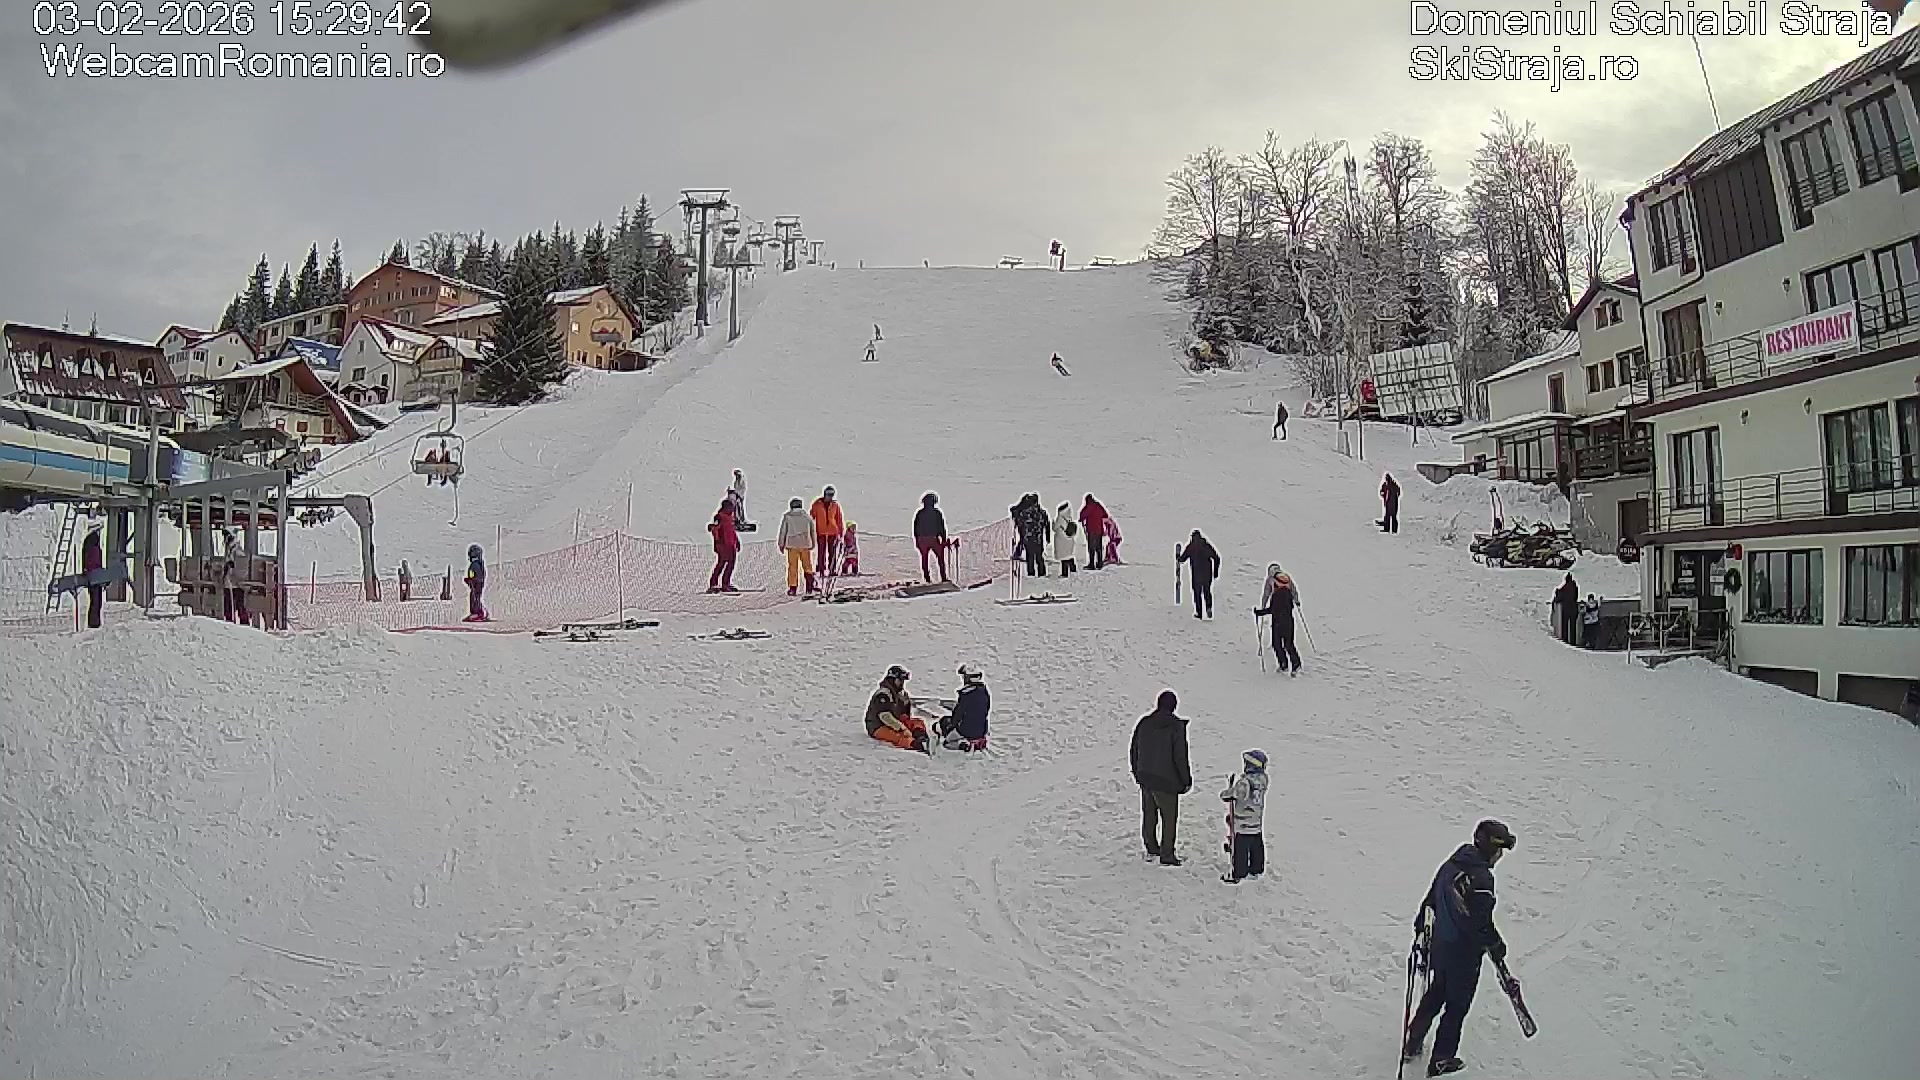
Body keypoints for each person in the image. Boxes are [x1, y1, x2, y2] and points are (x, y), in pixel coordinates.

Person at [1403, 820, 1517, 1079]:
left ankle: (1413, 1042)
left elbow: (1430, 900)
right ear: (1492, 849)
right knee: (1456, 1007)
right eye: (1500, 850)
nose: (1500, 857)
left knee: (1435, 994)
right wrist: (1496, 945)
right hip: (1463, 956)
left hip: (1441, 948)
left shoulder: (1452, 865)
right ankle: (1441, 1059)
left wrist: (1421, 928)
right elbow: (1480, 924)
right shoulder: (1482, 879)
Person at [1130, 690, 1191, 865]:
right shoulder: (1176, 727)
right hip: (1167, 782)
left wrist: (1137, 772)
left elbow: (1134, 749)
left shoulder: (1144, 723)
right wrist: (1186, 780)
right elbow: (1180, 756)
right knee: (1169, 819)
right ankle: (1167, 854)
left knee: (1149, 815)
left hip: (1146, 778)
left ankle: (1151, 847)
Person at [1220, 749, 1269, 883]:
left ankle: (1239, 872)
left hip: (1243, 824)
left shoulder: (1245, 782)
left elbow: (1238, 794)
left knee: (1241, 849)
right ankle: (1256, 868)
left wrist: (1226, 794)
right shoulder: (1264, 780)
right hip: (1256, 822)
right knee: (1256, 846)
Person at [865, 665, 929, 754]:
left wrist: (906, 721)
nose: (902, 683)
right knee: (900, 736)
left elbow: (905, 713)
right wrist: (902, 728)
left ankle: (922, 738)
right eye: (900, 680)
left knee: (917, 722)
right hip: (878, 726)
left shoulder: (901, 694)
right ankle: (915, 744)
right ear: (892, 680)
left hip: (895, 722)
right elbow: (885, 717)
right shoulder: (883, 694)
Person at [1253, 568, 1303, 674]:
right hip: (1289, 621)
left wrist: (1259, 612)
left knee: (1277, 644)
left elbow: (1272, 609)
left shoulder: (1276, 595)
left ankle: (1283, 664)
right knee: (1289, 644)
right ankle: (1296, 664)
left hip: (1278, 623)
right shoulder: (1288, 594)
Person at [937, 663, 990, 751]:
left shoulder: (966, 695)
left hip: (966, 731)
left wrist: (951, 725)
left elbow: (957, 716)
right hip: (981, 730)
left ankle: (962, 745)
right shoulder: (984, 692)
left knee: (946, 742)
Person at [778, 497, 817, 596]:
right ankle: (809, 586)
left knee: (793, 567)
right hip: (805, 545)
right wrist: (813, 543)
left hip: (792, 545)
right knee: (807, 566)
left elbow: (783, 532)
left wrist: (781, 544)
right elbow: (812, 531)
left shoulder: (787, 517)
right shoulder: (807, 517)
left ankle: (793, 588)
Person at [1177, 530, 1220, 619]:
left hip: (1196, 574)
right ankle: (1208, 608)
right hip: (1207, 573)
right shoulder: (1206, 545)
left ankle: (1199, 613)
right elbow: (1217, 558)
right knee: (1207, 591)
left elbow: (1182, 559)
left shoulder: (1191, 547)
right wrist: (1215, 572)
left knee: (1197, 593)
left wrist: (1178, 557)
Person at [1010, 493, 1049, 577]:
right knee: (1039, 557)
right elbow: (1047, 526)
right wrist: (1048, 537)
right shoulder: (1042, 512)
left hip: (1028, 539)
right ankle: (1042, 573)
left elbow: (1017, 518)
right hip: (1038, 539)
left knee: (1030, 557)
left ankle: (1031, 573)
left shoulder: (1024, 513)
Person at [915, 492, 950, 583]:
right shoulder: (937, 513)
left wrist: (917, 541)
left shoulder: (920, 513)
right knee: (940, 559)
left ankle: (927, 579)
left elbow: (916, 528)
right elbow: (941, 527)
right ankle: (943, 578)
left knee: (925, 560)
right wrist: (944, 539)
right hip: (933, 539)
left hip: (922, 539)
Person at [810, 486, 844, 578]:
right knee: (821, 552)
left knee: (832, 552)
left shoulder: (835, 505)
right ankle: (821, 569)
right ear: (825, 494)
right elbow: (811, 516)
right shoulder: (817, 504)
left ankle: (832, 569)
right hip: (821, 532)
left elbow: (839, 519)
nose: (830, 497)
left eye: (832, 495)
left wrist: (841, 533)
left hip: (833, 532)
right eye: (829, 494)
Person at [708, 498, 740, 593]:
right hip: (723, 545)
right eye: (730, 507)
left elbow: (732, 531)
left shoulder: (730, 517)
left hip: (731, 544)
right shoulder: (719, 516)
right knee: (721, 563)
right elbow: (715, 529)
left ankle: (726, 583)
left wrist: (737, 541)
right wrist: (718, 541)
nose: (732, 509)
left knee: (730, 564)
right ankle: (714, 583)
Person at [81, 527, 106, 629]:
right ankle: (94, 622)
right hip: (95, 578)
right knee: (96, 601)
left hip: (93, 578)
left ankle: (94, 621)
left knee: (94, 601)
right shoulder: (94, 550)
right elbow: (95, 564)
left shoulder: (88, 549)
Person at [1078, 495, 1109, 570]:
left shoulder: (1088, 507)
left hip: (1091, 530)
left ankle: (1092, 564)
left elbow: (1082, 515)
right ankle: (1099, 563)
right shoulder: (1098, 505)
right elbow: (1105, 515)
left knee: (1091, 547)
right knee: (1098, 547)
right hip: (1099, 530)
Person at [1552, 573, 1579, 644]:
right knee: (1573, 626)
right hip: (1574, 608)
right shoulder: (1574, 586)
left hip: (1566, 608)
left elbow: (1559, 598)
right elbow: (1575, 597)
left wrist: (1557, 592)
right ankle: (1573, 641)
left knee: (1565, 625)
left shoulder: (1565, 587)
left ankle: (1565, 640)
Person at [1052, 502, 1078, 576]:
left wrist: (1053, 523)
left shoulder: (1060, 518)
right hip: (1069, 538)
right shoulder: (1069, 517)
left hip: (1061, 539)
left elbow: (1055, 528)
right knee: (1068, 554)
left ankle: (1065, 573)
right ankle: (1073, 568)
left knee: (1063, 557)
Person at [464, 544, 487, 622]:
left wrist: (472, 580)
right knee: (474, 597)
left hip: (476, 584)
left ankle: (478, 612)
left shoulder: (475, 565)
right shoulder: (477, 564)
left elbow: (476, 576)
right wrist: (469, 579)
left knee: (475, 598)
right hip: (475, 584)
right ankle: (477, 611)